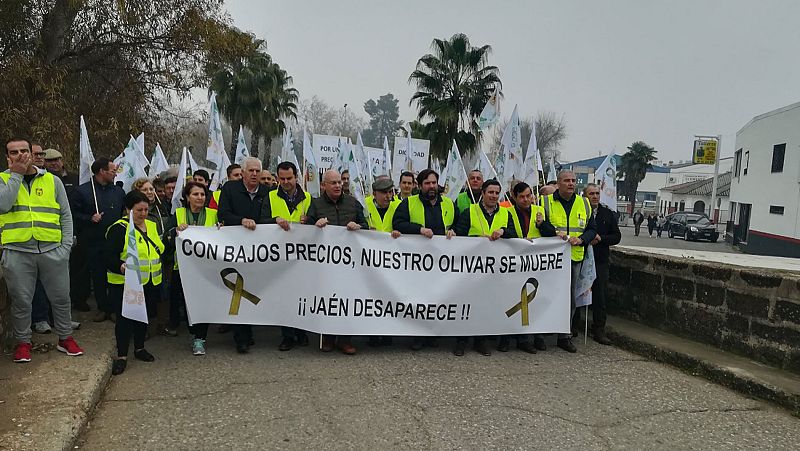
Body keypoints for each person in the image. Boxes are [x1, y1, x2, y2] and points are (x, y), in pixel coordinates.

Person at [2, 137, 83, 363]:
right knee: (21, 300)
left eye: (24, 151)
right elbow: (3, 205)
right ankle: (23, 343)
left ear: (32, 153)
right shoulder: (2, 180)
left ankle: (65, 338)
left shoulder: (52, 181)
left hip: (51, 250)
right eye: (14, 152)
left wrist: (65, 246)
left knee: (61, 298)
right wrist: (16, 174)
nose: (20, 155)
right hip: (17, 251)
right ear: (7, 157)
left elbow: (65, 215)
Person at [393, 169, 458, 351]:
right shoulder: (408, 203)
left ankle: (433, 334)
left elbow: (459, 224)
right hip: (417, 264)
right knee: (419, 299)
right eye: (427, 183)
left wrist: (455, 231)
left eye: (434, 183)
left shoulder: (449, 204)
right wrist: (419, 229)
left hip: (441, 263)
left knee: (437, 297)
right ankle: (417, 336)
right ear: (419, 186)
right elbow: (398, 223)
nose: (431, 186)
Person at [306, 169, 369, 355]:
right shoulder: (316, 204)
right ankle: (327, 337)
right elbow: (306, 228)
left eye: (340, 182)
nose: (338, 185)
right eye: (333, 183)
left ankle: (345, 339)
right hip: (325, 263)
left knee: (346, 299)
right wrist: (314, 225)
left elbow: (365, 226)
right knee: (327, 298)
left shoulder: (352, 203)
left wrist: (358, 226)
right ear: (323, 185)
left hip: (350, 264)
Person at [453, 179, 516, 356]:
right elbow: (459, 235)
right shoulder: (469, 212)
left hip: (493, 271)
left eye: (497, 193)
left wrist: (504, 231)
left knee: (485, 305)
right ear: (483, 193)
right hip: (471, 269)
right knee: (466, 304)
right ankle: (461, 340)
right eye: (491, 192)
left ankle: (481, 340)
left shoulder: (505, 214)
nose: (494, 196)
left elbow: (514, 235)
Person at [105, 191, 164, 375]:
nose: (144, 213)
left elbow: (159, 248)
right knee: (124, 321)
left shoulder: (152, 226)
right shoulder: (119, 229)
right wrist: (121, 266)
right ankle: (122, 356)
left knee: (142, 318)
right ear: (128, 209)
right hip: (124, 284)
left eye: (146, 209)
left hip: (148, 281)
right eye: (139, 210)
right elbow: (108, 257)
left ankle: (140, 348)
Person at [538, 170, 596, 353]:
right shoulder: (545, 201)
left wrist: (583, 240)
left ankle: (564, 335)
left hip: (574, 256)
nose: (571, 184)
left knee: (570, 299)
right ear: (559, 183)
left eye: (573, 181)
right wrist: (556, 234)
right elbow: (540, 226)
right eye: (567, 181)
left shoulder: (584, 203)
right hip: (551, 257)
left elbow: (591, 228)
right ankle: (540, 334)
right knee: (545, 295)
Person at [217, 157, 271, 353]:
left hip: (260, 250)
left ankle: (252, 329)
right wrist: (242, 220)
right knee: (240, 287)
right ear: (243, 171)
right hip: (236, 248)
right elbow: (222, 214)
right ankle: (242, 337)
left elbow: (267, 217)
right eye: (251, 171)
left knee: (256, 289)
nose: (255, 174)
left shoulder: (267, 192)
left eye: (258, 171)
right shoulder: (230, 189)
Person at [258, 161, 311, 351]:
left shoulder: (308, 198)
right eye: (282, 179)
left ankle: (301, 332)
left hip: (303, 257)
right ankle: (287, 335)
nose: (286, 182)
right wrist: (274, 220)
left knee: (302, 296)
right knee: (284, 297)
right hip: (279, 256)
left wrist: (310, 221)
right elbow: (261, 221)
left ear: (296, 177)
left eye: (289, 178)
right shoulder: (270, 197)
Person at [163, 182, 218, 355]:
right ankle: (193, 331)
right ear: (187, 197)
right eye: (195, 194)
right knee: (188, 304)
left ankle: (199, 338)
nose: (200, 198)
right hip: (183, 269)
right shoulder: (178, 214)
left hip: (206, 269)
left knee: (203, 303)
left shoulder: (213, 214)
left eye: (202, 194)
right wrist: (175, 231)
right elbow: (166, 238)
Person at [72, 157, 125, 322]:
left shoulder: (118, 192)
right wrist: (89, 218)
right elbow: (73, 215)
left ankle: (116, 308)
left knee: (116, 275)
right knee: (98, 275)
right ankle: (103, 307)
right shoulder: (82, 191)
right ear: (102, 171)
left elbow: (124, 211)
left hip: (115, 243)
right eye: (113, 171)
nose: (115, 174)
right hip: (93, 241)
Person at [502, 181, 545, 354]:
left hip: (533, 263)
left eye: (529, 195)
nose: (526, 200)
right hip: (513, 261)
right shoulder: (508, 213)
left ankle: (528, 338)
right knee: (508, 299)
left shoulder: (539, 212)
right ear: (514, 197)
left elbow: (548, 234)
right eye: (522, 197)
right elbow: (507, 231)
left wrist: (543, 225)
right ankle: (505, 338)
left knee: (531, 301)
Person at [364, 177, 402, 347]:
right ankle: (372, 333)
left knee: (388, 297)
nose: (388, 196)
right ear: (374, 194)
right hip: (369, 260)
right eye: (384, 193)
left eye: (390, 192)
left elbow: (404, 224)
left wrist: (400, 232)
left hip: (390, 260)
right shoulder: (364, 204)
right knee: (370, 296)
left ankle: (387, 332)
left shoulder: (398, 205)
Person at [582, 183, 620, 345]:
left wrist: (601, 239)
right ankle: (572, 326)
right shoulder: (581, 211)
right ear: (585, 196)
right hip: (581, 258)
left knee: (600, 296)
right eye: (591, 194)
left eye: (597, 193)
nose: (595, 196)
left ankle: (599, 329)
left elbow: (616, 237)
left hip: (600, 261)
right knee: (577, 293)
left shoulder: (607, 214)